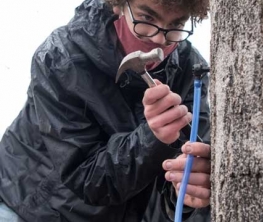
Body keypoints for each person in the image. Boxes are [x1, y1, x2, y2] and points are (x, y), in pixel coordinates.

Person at [0, 0, 211, 221]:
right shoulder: (61, 57)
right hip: (29, 209)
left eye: (177, 24)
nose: (159, 39)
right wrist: (152, 137)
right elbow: (87, 178)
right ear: (117, 5)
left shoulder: (192, 71)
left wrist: (184, 193)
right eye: (146, 18)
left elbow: (180, 179)